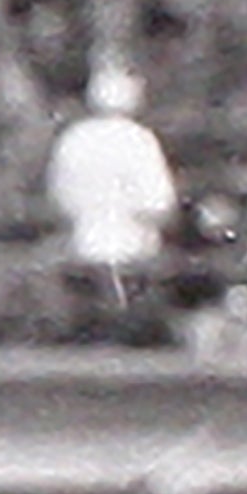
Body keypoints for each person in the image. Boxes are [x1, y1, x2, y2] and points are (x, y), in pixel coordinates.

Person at [42, 60, 181, 342]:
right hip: (133, 245)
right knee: (129, 310)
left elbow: (58, 196)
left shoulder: (72, 138)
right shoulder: (139, 140)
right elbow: (157, 200)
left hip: (81, 242)